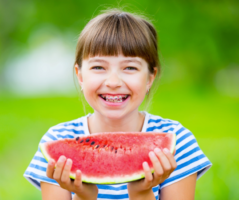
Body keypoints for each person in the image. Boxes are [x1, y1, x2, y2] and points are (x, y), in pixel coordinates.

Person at [24, 8, 212, 200]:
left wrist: (141, 193)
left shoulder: (177, 142)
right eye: (98, 67)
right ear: (80, 75)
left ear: (150, 77)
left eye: (130, 67)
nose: (113, 82)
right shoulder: (56, 141)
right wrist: (84, 196)